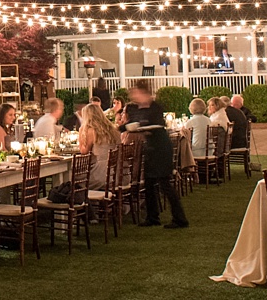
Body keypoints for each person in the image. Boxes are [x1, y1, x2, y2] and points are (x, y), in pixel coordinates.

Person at [124, 82, 187, 227]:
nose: (133, 96)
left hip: (161, 148)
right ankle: (152, 217)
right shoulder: (137, 109)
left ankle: (180, 219)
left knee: (165, 184)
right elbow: (134, 123)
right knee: (149, 183)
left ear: (143, 92)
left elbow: (152, 124)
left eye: (135, 93)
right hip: (151, 148)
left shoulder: (155, 107)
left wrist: (137, 127)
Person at [77, 102, 117, 189]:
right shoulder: (111, 129)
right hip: (114, 174)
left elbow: (84, 151)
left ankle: (76, 199)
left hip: (100, 175)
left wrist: (81, 134)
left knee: (74, 176)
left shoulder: (91, 130)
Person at [184, 97, 217, 162]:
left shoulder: (191, 121)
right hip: (210, 150)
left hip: (196, 151)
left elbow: (186, 136)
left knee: (183, 148)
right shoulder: (209, 120)